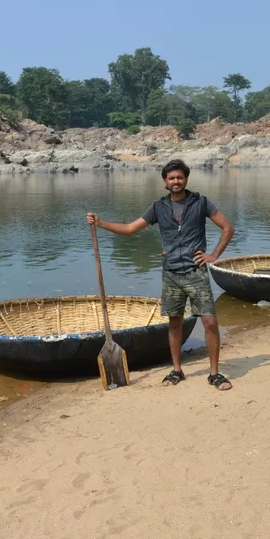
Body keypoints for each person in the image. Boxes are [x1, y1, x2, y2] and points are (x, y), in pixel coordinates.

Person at [86, 159, 235, 391]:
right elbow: (129, 229)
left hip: (196, 271)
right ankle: (177, 370)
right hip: (171, 273)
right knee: (174, 323)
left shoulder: (201, 202)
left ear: (186, 179)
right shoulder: (158, 207)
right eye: (171, 178)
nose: (176, 181)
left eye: (179, 177)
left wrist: (214, 254)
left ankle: (214, 374)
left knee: (210, 322)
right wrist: (101, 222)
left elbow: (228, 227)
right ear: (165, 182)